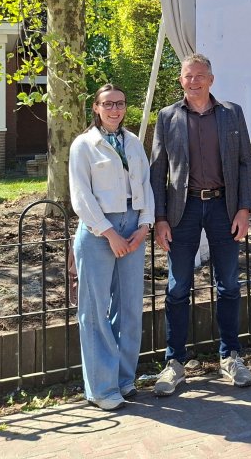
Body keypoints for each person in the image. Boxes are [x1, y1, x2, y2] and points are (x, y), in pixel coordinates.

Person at [149, 53, 251, 395]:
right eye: (187, 76)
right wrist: (160, 218)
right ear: (180, 80)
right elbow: (157, 170)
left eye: (199, 76)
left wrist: (244, 209)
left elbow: (245, 164)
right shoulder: (168, 117)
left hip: (224, 207)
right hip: (184, 210)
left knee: (228, 284)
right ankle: (174, 362)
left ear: (211, 79)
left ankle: (231, 356)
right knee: (178, 287)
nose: (193, 82)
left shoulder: (231, 113)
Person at [69, 84, 154, 411]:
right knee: (95, 311)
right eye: (108, 104)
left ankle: (123, 380)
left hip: (133, 227)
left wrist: (145, 224)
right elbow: (81, 196)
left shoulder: (133, 143)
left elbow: (144, 184)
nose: (115, 110)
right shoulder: (83, 145)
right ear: (96, 107)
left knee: (131, 307)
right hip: (98, 231)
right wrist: (109, 233)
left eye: (119, 103)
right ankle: (101, 389)